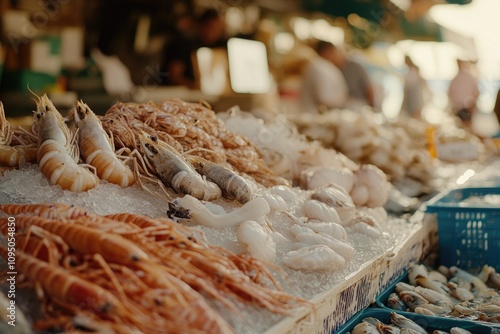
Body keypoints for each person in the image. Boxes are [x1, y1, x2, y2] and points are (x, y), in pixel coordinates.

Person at [161, 9, 226, 88]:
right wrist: (197, 87)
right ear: (200, 25)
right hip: (177, 94)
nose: (215, 33)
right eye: (211, 28)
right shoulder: (183, 43)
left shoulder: (218, 47)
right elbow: (174, 76)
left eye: (218, 30)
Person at [299, 41, 348, 113]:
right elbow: (323, 98)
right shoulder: (318, 67)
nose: (340, 55)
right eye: (336, 52)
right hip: (315, 116)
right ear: (327, 52)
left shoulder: (325, 66)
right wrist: (344, 102)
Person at [448, 59, 480, 129]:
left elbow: (449, 93)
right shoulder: (470, 77)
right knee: (466, 127)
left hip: (463, 107)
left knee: (463, 127)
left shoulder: (455, 78)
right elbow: (477, 92)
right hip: (464, 107)